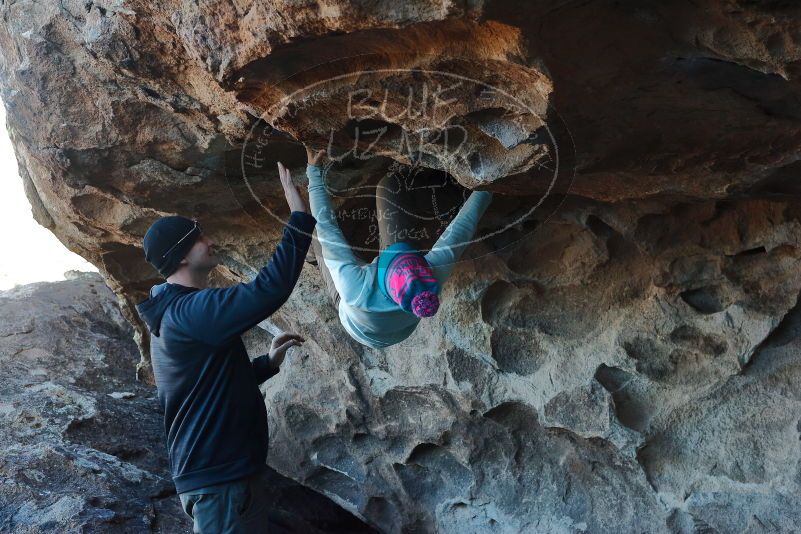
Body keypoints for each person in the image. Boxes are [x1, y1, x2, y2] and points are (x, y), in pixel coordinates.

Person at [135, 160, 316, 533]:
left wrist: (267, 363)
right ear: (182, 255)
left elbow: (205, 388)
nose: (210, 241)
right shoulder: (189, 311)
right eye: (199, 237)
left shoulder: (173, 315)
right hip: (219, 485)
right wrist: (299, 217)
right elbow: (268, 289)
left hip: (219, 478)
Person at [306, 145, 494, 349]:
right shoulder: (432, 276)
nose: (393, 249)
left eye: (395, 252)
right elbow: (463, 227)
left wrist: (313, 171)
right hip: (402, 325)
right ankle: (448, 191)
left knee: (312, 232)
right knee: (389, 186)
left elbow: (324, 225)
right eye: (396, 252)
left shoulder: (352, 289)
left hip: (357, 325)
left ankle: (311, 256)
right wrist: (491, 180)